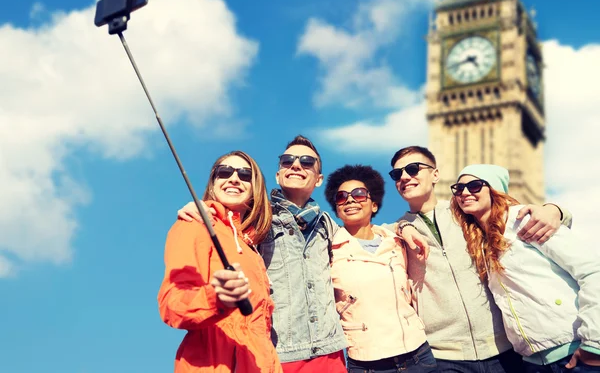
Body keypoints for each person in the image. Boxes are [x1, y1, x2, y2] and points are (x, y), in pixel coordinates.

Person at [387, 146, 572, 373]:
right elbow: (367, 234)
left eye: (413, 169)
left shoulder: (466, 210)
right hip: (444, 355)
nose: (405, 177)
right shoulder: (392, 233)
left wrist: (556, 210)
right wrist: (402, 225)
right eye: (397, 174)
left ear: (435, 174)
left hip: (503, 349)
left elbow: (514, 213)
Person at [177, 136, 347, 373]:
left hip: (330, 353)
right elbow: (228, 214)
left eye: (307, 161)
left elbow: (364, 238)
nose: (296, 165)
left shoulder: (327, 225)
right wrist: (204, 206)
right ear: (278, 175)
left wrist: (404, 226)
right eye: (288, 160)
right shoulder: (258, 217)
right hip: (280, 354)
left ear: (318, 179)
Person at [450, 164, 600, 372]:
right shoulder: (477, 242)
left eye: (475, 185)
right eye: (458, 188)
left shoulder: (524, 220)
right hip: (532, 363)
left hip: (574, 352)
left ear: (494, 190)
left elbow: (592, 271)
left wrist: (594, 342)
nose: (465, 192)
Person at [157, 151, 282, 373]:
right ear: (213, 184)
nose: (234, 178)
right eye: (224, 172)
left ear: (255, 189)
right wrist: (216, 298)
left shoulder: (252, 249)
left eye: (245, 175)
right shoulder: (193, 224)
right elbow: (173, 304)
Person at [324, 164, 437, 373]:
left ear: (374, 205)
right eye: (341, 196)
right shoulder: (328, 249)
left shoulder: (396, 242)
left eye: (358, 194)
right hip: (367, 361)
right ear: (337, 208)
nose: (350, 199)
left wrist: (403, 226)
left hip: (417, 355)